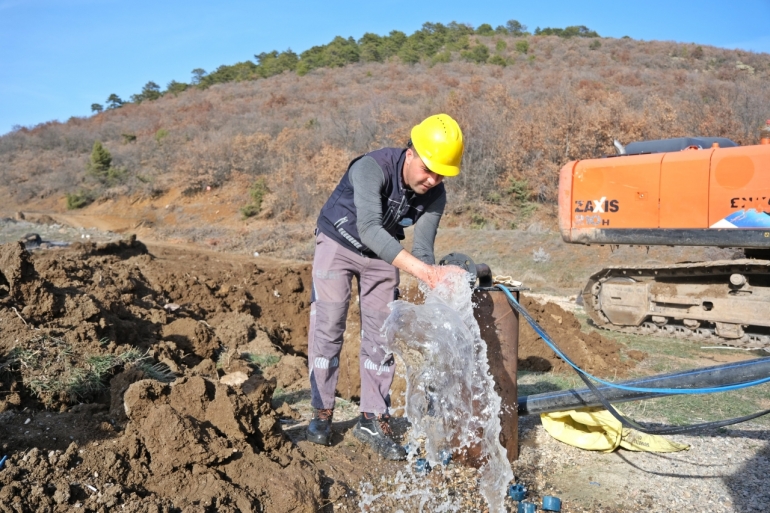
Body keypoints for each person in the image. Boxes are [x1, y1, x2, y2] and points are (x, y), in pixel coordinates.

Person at [305, 113, 465, 460]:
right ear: (410, 153)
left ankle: (372, 415)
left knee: (382, 332)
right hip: (339, 241)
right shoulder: (371, 167)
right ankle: (322, 411)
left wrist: (439, 280)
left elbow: (422, 251)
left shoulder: (435, 196)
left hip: (383, 253)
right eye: (428, 168)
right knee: (329, 324)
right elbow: (369, 229)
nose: (433, 179)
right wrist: (422, 271)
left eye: (441, 174)